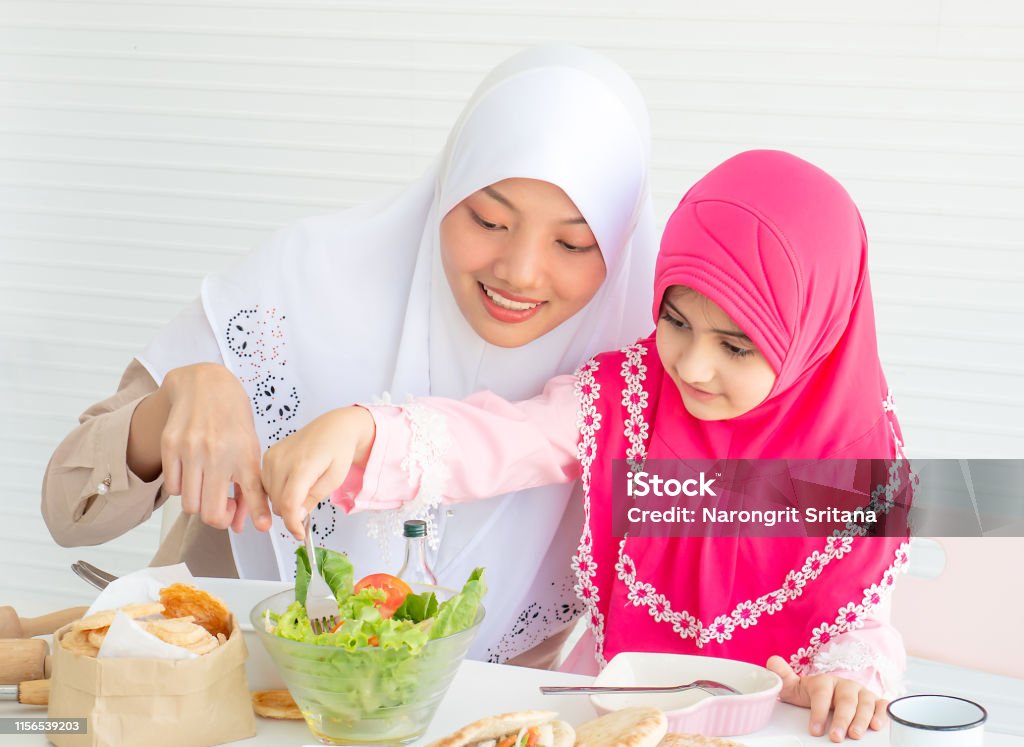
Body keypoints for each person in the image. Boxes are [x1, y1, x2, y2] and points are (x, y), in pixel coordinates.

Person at [40, 45, 659, 667]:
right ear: (447, 186)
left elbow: (734, 544)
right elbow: (70, 515)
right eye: (489, 221)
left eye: (574, 243)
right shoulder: (295, 289)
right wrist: (178, 397)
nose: (520, 272)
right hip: (221, 693)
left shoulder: (650, 376)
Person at [260, 150, 913, 740]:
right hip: (612, 715)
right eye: (675, 321)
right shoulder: (630, 398)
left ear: (815, 335)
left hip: (780, 725)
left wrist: (847, 681)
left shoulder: (859, 459)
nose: (691, 366)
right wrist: (365, 434)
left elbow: (863, 618)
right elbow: (501, 439)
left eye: (736, 346)